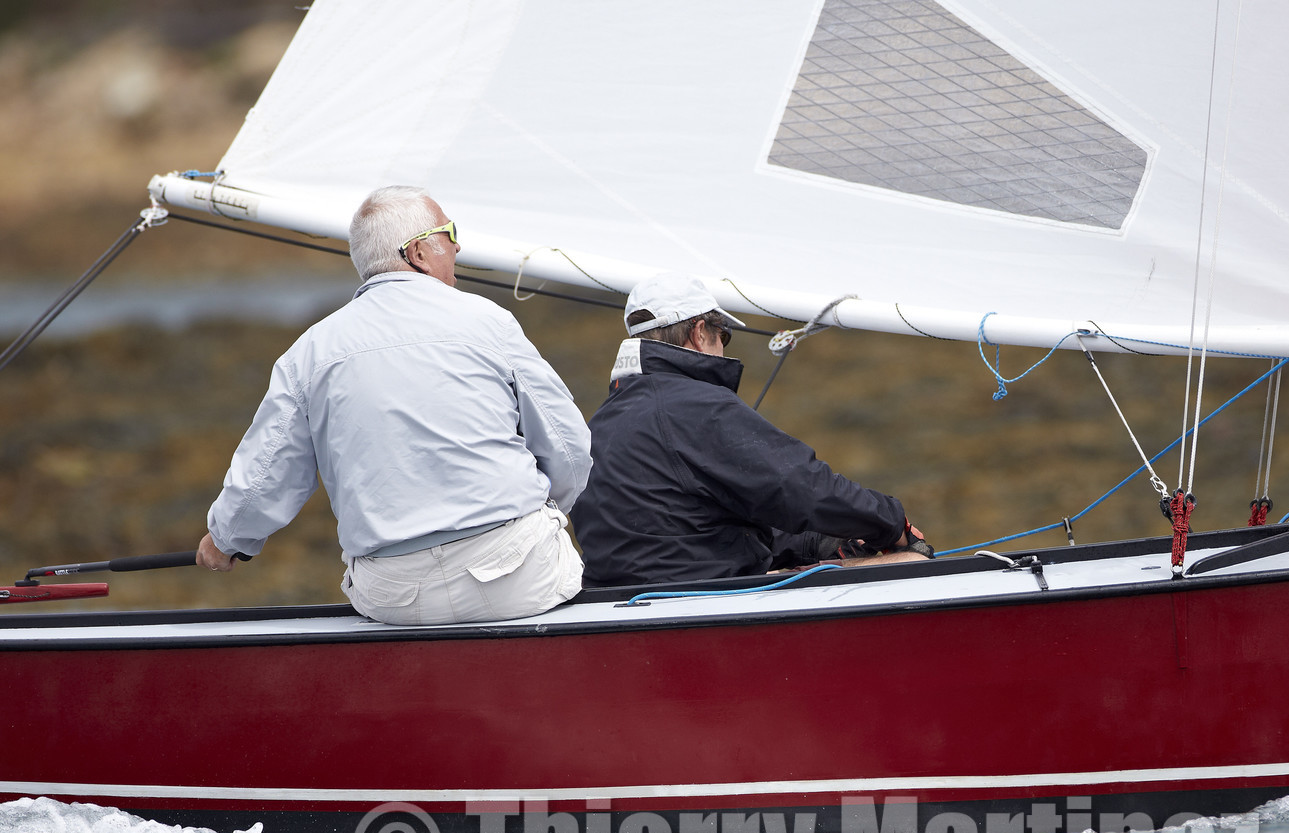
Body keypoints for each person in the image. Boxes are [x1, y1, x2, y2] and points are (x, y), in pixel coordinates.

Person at [196, 185, 592, 625]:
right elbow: (570, 447)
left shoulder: (309, 351)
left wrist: (225, 541)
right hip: (518, 577)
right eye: (449, 234)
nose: (458, 246)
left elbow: (266, 476)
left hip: (395, 599)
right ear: (418, 252)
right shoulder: (489, 321)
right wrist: (544, 511)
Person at [571, 272, 928, 587]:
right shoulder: (696, 405)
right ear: (699, 333)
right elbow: (800, 485)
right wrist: (892, 524)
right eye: (723, 337)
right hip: (707, 605)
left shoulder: (600, 422)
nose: (723, 349)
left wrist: (815, 544)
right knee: (913, 563)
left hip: (620, 607)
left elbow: (693, 529)